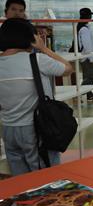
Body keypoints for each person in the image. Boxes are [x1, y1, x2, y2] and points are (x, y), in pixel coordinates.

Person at [0, 18, 74, 175]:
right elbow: (68, 68)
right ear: (30, 38)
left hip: (8, 129)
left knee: (20, 179)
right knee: (45, 177)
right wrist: (44, 48)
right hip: (35, 129)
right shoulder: (38, 60)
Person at [77, 8, 93, 101]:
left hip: (85, 56)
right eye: (89, 15)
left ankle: (89, 94)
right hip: (86, 57)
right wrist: (92, 58)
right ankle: (79, 94)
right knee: (92, 76)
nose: (91, 17)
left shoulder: (83, 27)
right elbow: (87, 46)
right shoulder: (84, 29)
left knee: (86, 76)